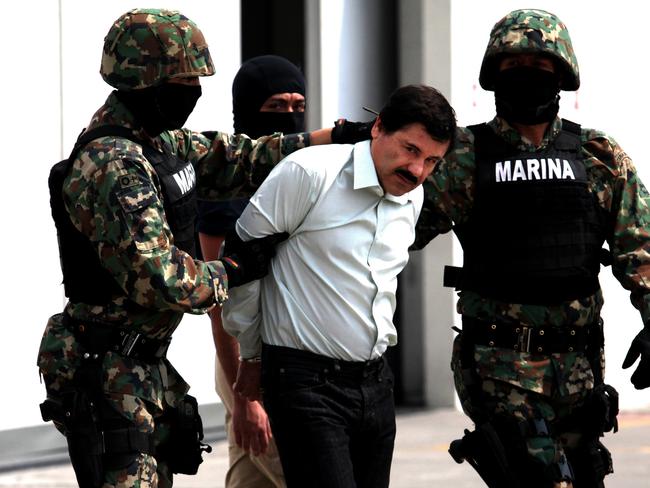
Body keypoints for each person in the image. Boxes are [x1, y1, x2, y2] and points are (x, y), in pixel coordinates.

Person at [36, 8, 366, 488]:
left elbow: (235, 158)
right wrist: (231, 270)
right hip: (107, 372)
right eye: (185, 77)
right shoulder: (114, 166)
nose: (194, 88)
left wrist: (331, 138)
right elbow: (162, 280)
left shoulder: (155, 141)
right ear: (147, 78)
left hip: (139, 364)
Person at [411, 9, 650, 488]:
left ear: (561, 77)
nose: (527, 78)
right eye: (513, 67)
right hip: (500, 365)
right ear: (493, 77)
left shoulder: (598, 157)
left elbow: (639, 248)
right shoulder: (460, 157)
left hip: (580, 368)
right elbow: (393, 231)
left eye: (540, 69)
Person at [222, 84, 457, 488]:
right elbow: (244, 263)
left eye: (432, 160)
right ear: (378, 127)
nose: (417, 171)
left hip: (376, 383)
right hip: (305, 382)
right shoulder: (309, 173)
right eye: (410, 150)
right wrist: (252, 353)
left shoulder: (412, 197)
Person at [197, 54, 306, 488]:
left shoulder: (299, 172)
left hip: (291, 357)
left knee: (250, 473)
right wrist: (245, 394)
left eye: (298, 104)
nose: (291, 115)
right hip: (250, 363)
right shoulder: (228, 185)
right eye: (276, 106)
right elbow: (219, 304)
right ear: (247, 110)